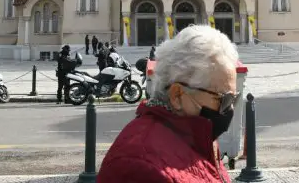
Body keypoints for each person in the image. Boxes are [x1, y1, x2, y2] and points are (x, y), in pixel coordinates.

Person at [97, 25, 237, 182]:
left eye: (234, 99)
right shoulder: (141, 168)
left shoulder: (198, 134)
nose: (230, 108)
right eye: (224, 99)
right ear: (177, 95)